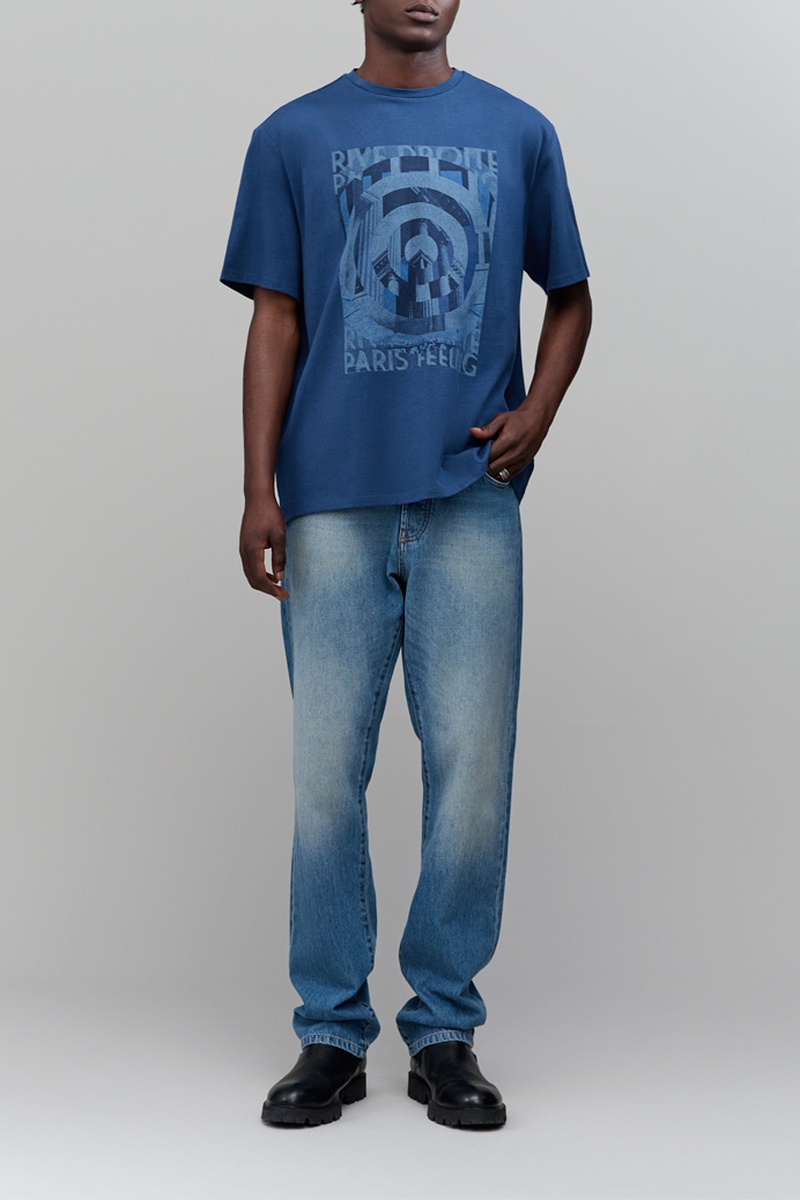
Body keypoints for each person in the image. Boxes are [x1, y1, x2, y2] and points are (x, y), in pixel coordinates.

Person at [220, 0, 591, 1128]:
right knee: (324, 775)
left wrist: (538, 411)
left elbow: (572, 295)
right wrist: (257, 489)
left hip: (469, 501)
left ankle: (443, 1031)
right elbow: (275, 319)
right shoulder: (292, 135)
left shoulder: (519, 131)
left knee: (472, 772)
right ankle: (331, 1034)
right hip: (330, 500)